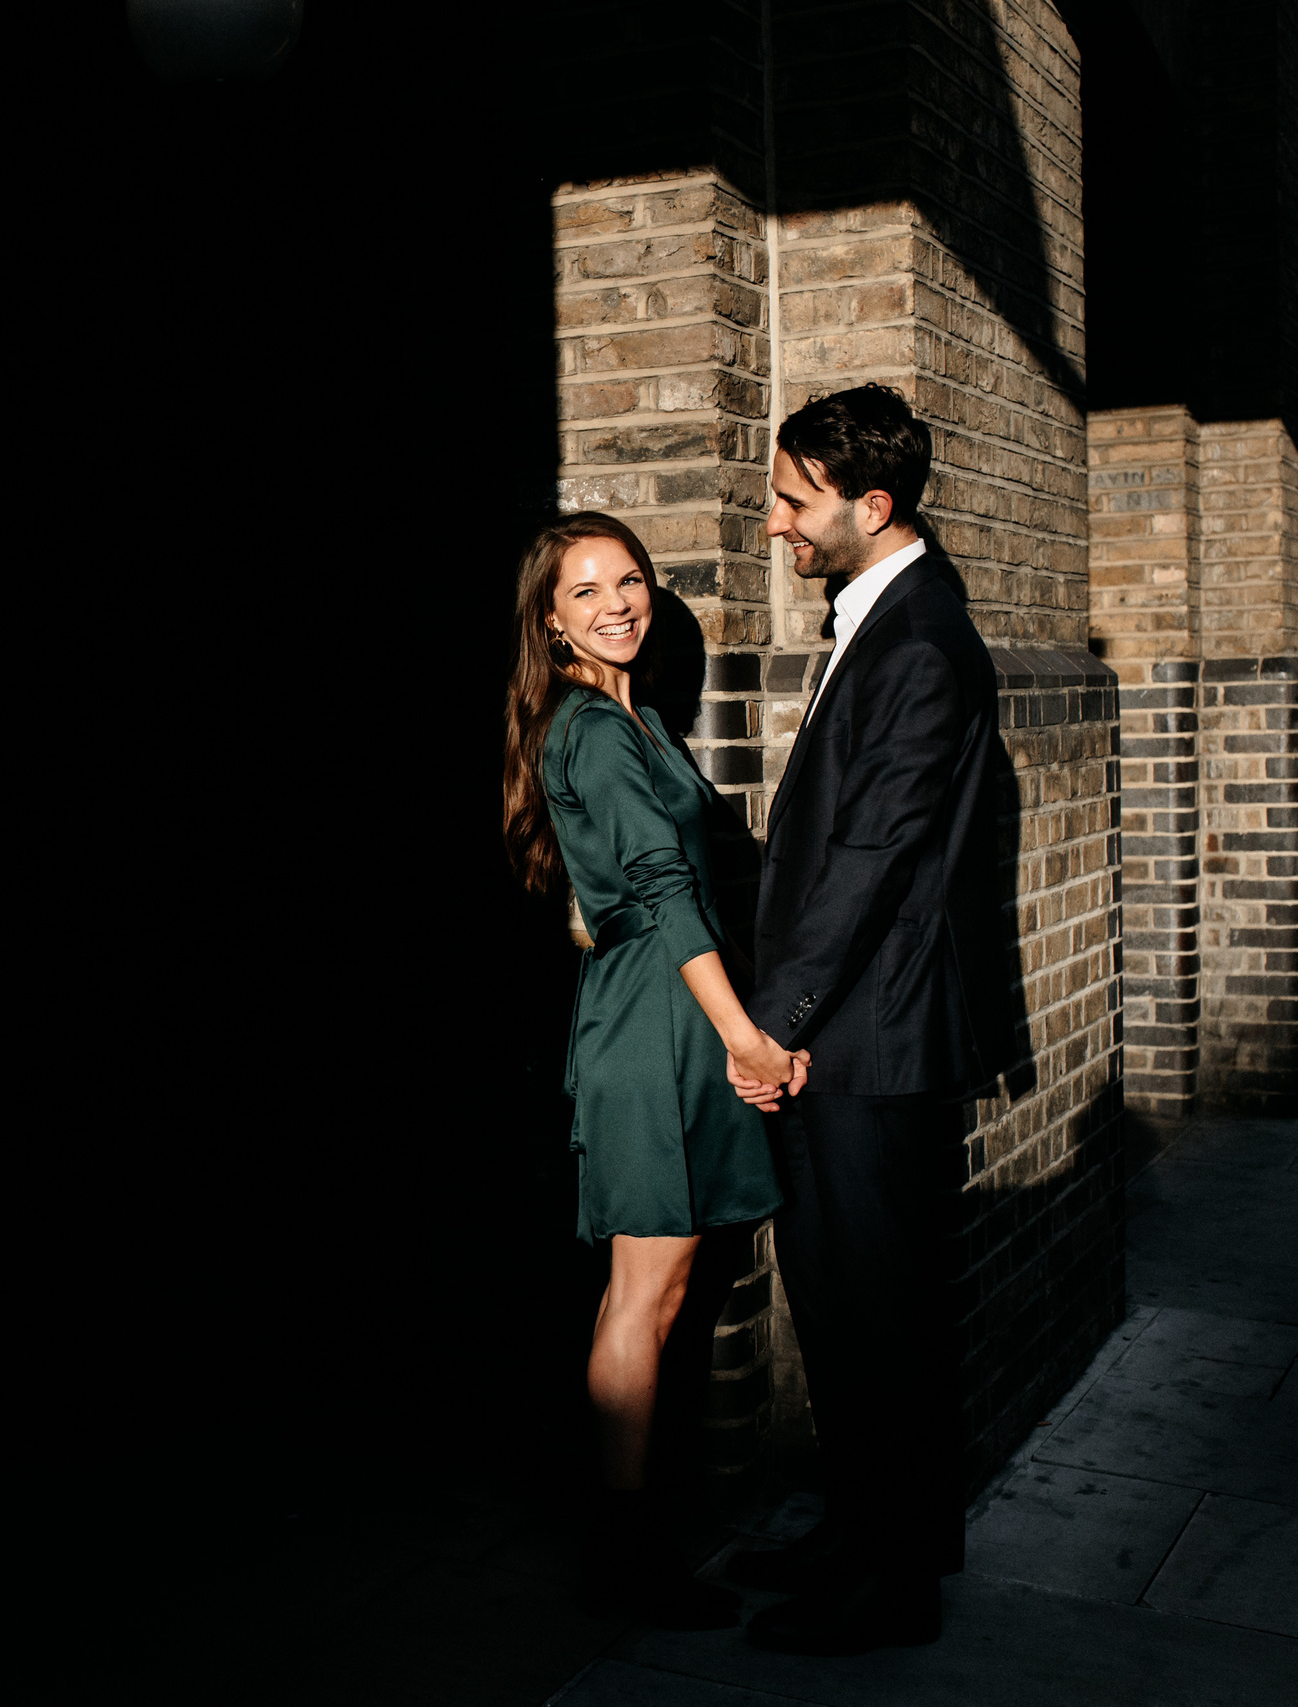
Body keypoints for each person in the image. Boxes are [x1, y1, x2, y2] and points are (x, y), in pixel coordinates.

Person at [723, 383, 1005, 1655]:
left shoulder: (922, 643)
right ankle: (864, 1537)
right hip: (852, 1027)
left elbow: (873, 856)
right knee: (848, 1313)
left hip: (867, 1039)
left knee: (873, 1320)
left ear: (867, 505)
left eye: (793, 500)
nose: (776, 522)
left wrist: (776, 1023)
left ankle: (887, 1589)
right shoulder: (881, 620)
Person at [501, 512, 803, 1629]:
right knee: (645, 1287)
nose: (616, 604)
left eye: (628, 581)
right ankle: (620, 1556)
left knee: (671, 1285)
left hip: (673, 1004)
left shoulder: (637, 717)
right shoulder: (585, 728)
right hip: (656, 1022)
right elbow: (663, 892)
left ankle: (633, 1534)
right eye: (584, 592)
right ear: (549, 618)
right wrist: (745, 1036)